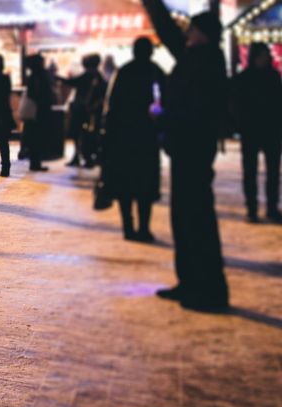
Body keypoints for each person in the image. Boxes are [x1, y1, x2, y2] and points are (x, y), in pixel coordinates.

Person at [142, 0, 230, 312]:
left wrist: (162, 116)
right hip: (184, 150)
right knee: (184, 218)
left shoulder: (208, 63)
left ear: (203, 34)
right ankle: (190, 282)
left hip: (194, 150)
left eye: (192, 29)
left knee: (197, 219)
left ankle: (209, 291)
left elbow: (196, 112)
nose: (187, 33)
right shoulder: (195, 56)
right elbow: (168, 31)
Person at [102, 37, 166, 242]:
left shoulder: (124, 72)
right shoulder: (155, 71)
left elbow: (111, 107)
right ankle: (144, 228)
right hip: (146, 136)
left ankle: (128, 227)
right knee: (145, 186)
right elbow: (164, 102)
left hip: (123, 136)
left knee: (125, 184)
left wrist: (108, 134)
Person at [230, 42, 282, 223]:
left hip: (268, 130)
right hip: (254, 130)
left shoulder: (271, 77)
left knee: (272, 172)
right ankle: (253, 208)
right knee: (252, 171)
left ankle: (270, 207)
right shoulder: (248, 79)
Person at [60, 54, 105, 167]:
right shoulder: (98, 75)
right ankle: (86, 158)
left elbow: (74, 82)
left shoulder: (89, 74)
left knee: (79, 134)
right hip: (91, 110)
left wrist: (58, 78)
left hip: (82, 109)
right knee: (87, 134)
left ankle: (82, 158)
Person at [20, 53, 55, 174]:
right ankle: (35, 162)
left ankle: (34, 161)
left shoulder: (33, 76)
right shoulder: (39, 75)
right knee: (37, 137)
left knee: (34, 136)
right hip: (39, 111)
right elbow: (37, 93)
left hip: (37, 111)